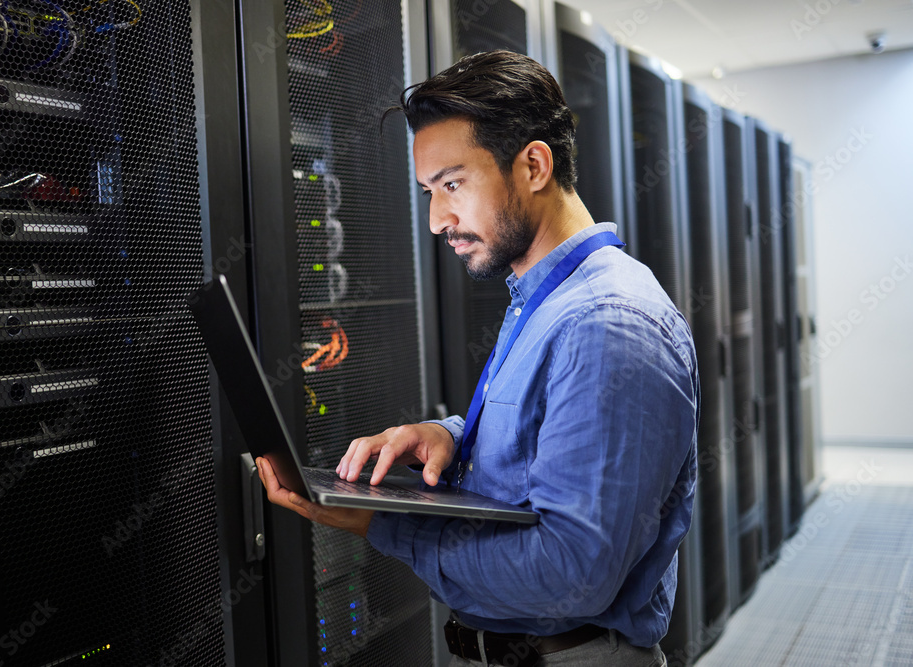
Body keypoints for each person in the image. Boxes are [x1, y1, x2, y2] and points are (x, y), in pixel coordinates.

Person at [257, 50, 698, 667]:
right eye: (429, 192)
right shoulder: (545, 300)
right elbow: (551, 436)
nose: (438, 219)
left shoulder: (607, 325)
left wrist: (381, 525)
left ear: (534, 165)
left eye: (453, 185)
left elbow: (574, 574)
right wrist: (446, 435)